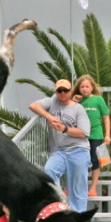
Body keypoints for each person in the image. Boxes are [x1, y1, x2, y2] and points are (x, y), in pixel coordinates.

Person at [29, 79, 91, 212]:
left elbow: (84, 133)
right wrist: (49, 117)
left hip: (78, 149)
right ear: (56, 91)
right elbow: (33, 105)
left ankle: (78, 217)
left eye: (65, 90)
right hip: (60, 151)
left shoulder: (78, 108)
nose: (62, 93)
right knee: (49, 171)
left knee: (78, 186)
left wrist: (64, 129)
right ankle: (60, 205)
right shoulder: (52, 101)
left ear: (71, 91)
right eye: (59, 90)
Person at [72, 74, 111, 197]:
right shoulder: (76, 101)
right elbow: (68, 113)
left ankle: (93, 188)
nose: (84, 89)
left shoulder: (98, 99)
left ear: (92, 87)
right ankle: (77, 187)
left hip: (96, 135)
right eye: (82, 86)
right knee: (79, 161)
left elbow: (106, 117)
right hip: (80, 136)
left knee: (96, 160)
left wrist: (107, 135)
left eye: (87, 86)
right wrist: (73, 101)